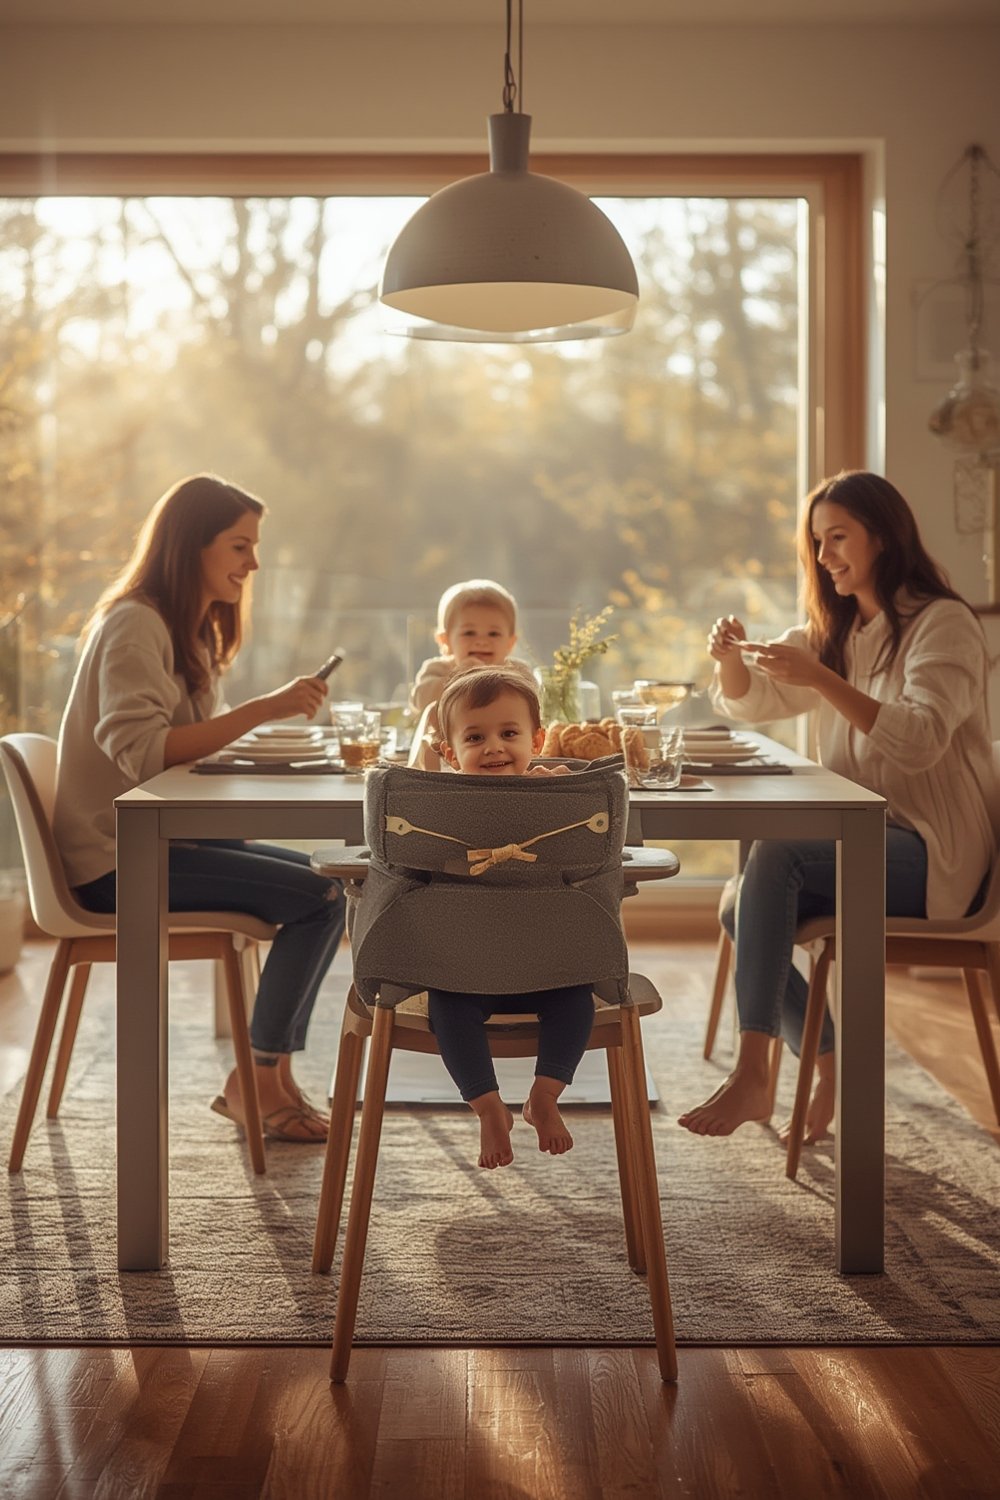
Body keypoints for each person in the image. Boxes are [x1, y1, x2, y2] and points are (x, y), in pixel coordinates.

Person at [678, 469, 994, 1143]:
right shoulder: (841, 631)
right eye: (817, 543)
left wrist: (823, 678)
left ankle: (756, 1071)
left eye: (838, 538)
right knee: (738, 901)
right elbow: (753, 701)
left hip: (934, 853)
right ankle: (825, 1057)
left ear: (882, 534)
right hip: (866, 841)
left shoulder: (945, 625)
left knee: (778, 854)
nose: (824, 558)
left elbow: (918, 739)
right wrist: (732, 659)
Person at [53, 473, 347, 1144]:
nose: (254, 563)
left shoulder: (178, 628)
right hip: (115, 864)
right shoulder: (135, 626)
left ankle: (268, 1079)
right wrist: (265, 709)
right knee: (324, 898)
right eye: (240, 546)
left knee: (334, 880)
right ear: (193, 547)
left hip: (154, 845)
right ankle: (256, 1081)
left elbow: (177, 757)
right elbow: (147, 754)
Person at [427, 665, 592, 1169]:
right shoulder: (438, 806)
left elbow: (590, 858)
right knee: (445, 1008)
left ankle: (544, 1095)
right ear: (451, 753)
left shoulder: (555, 794)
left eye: (510, 733)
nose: (494, 747)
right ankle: (487, 1106)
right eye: (475, 737)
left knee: (577, 1002)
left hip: (548, 964)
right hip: (466, 967)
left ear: (537, 740)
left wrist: (559, 799)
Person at [410, 578, 536, 713]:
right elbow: (419, 700)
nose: (481, 641)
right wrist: (457, 677)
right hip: (450, 735)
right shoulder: (439, 669)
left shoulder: (518, 672)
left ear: (510, 643)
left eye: (493, 634)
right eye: (469, 633)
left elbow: (537, 705)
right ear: (445, 640)